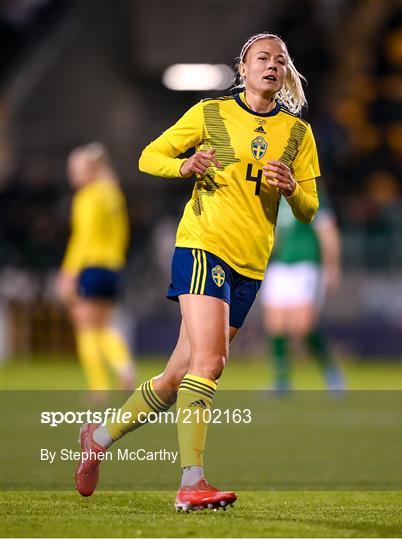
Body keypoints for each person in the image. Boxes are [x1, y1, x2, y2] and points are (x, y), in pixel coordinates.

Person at [74, 32, 320, 511]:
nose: (272, 65)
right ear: (243, 69)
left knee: (175, 377)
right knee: (211, 364)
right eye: (262, 58)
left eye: (281, 59)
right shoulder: (212, 113)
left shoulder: (298, 135)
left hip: (250, 264)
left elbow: (308, 209)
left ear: (287, 73)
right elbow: (150, 156)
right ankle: (192, 480)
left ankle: (98, 437)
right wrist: (186, 166)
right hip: (204, 246)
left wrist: (291, 187)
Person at [56, 143, 136, 393]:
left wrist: (69, 272)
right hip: (112, 267)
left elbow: (83, 237)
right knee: (103, 325)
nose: (73, 176)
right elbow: (124, 233)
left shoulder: (88, 196)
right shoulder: (113, 194)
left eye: (77, 170)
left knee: (85, 325)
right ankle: (123, 365)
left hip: (90, 265)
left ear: (91, 170)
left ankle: (99, 386)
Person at [261, 189, 345, 393]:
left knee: (302, 327)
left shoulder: (312, 195)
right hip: (280, 266)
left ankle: (331, 372)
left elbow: (328, 232)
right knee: (275, 324)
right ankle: (282, 382)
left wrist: (332, 266)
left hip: (306, 265)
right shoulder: (275, 200)